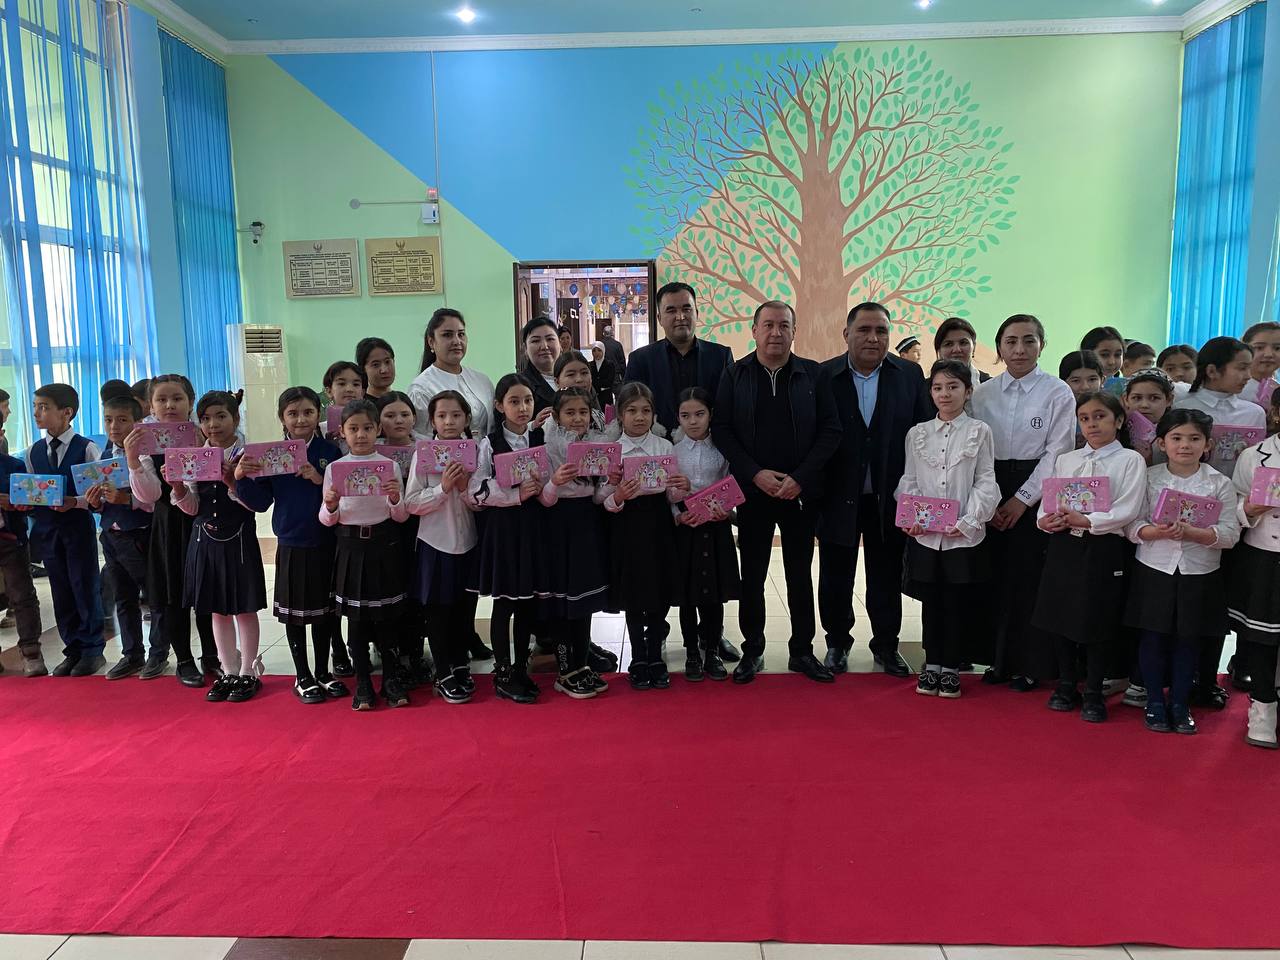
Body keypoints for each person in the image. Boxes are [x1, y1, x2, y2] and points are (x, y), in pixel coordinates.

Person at [712, 300, 841, 684]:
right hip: (753, 494)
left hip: (799, 493)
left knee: (799, 574)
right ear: (754, 331)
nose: (776, 332)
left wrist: (800, 477)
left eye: (784, 325)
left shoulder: (814, 375)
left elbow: (831, 430)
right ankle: (753, 650)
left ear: (794, 331)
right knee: (752, 575)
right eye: (768, 325)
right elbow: (722, 430)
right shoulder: (734, 375)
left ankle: (802, 651)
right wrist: (754, 474)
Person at [817, 302, 932, 677]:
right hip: (837, 495)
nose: (873, 338)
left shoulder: (909, 375)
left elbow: (923, 437)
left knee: (886, 574)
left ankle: (886, 644)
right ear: (846, 334)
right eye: (864, 330)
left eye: (881, 331)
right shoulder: (824, 376)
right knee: (836, 574)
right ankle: (837, 643)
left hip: (891, 496)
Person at [970, 315, 1075, 691]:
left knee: (1029, 580)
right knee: (994, 577)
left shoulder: (1058, 392)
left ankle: (1032, 664)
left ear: (1042, 345)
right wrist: (988, 500)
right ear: (999, 346)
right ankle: (998, 660)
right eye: (1011, 341)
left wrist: (1022, 500)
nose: (1019, 349)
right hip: (990, 484)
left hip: (1036, 489)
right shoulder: (982, 393)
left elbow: (1058, 452)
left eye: (1029, 340)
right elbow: (975, 448)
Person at [1033, 391, 1146, 722]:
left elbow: (1128, 507)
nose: (1092, 424)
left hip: (1103, 547)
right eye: (1084, 418)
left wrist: (1089, 521)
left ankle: (1094, 690)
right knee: (1060, 615)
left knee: (1098, 618)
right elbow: (1050, 501)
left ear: (1118, 420)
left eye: (1100, 416)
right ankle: (1067, 684)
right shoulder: (1067, 459)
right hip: (1064, 545)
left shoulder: (1130, 460)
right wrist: (1044, 521)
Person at [1125, 408, 1239, 735]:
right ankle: (1154, 703)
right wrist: (1155, 531)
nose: (1185, 445)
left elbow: (1230, 535)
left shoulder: (1220, 483)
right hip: (1155, 568)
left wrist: (1194, 533)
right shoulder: (1149, 478)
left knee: (1189, 640)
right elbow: (1131, 525)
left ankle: (1179, 703)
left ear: (1207, 445)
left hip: (1200, 573)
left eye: (1194, 439)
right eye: (1176, 438)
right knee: (1153, 637)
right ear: (1162, 443)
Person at [234, 386, 347, 705]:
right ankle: (303, 675)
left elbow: (347, 492)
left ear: (318, 413)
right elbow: (260, 502)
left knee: (326, 612)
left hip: (328, 541)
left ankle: (323, 671)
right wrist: (240, 477)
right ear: (281, 417)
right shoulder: (272, 454)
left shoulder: (330, 452)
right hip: (292, 543)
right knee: (295, 614)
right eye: (293, 413)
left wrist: (319, 477)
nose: (301, 419)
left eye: (308, 412)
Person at [897, 360, 999, 698]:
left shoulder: (979, 431)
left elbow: (985, 480)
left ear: (968, 392)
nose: (945, 394)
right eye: (938, 387)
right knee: (931, 601)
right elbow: (910, 479)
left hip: (962, 535)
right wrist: (910, 516)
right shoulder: (917, 433)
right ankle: (932, 664)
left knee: (956, 601)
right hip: (927, 536)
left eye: (953, 387)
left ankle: (952, 666)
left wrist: (970, 519)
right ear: (931, 392)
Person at [174, 391, 267, 703]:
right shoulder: (193, 457)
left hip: (239, 539)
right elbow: (191, 508)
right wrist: (177, 488)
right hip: (204, 540)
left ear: (236, 418)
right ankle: (228, 671)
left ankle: (249, 671)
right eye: (206, 418)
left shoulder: (248, 456)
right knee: (217, 609)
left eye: (221, 416)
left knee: (244, 607)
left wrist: (232, 482)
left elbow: (259, 504)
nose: (213, 424)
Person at [125, 374, 217, 687]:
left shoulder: (206, 431)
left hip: (206, 521)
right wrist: (133, 460)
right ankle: (185, 661)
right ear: (150, 406)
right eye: (161, 400)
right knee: (174, 595)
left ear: (190, 402)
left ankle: (212, 657)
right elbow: (149, 495)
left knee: (207, 594)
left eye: (177, 398)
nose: (169, 405)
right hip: (169, 526)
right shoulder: (145, 442)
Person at [319, 399, 409, 711]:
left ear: (377, 429)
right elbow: (326, 519)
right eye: (353, 429)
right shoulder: (334, 469)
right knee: (356, 621)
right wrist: (331, 504)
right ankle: (362, 682)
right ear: (342, 432)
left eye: (367, 428)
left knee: (387, 619)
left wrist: (395, 498)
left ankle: (391, 680)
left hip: (384, 546)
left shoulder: (389, 466)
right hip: (351, 548)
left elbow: (401, 516)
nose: (361, 435)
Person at [467, 375, 546, 704]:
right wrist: (515, 494)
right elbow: (475, 490)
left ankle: (520, 668)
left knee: (527, 602)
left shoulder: (540, 438)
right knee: (504, 603)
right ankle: (502, 672)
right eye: (514, 401)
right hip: (503, 531)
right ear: (499, 405)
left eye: (528, 400)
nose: (523, 407)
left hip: (533, 529)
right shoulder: (489, 443)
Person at [600, 382, 682, 691]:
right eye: (632, 411)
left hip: (659, 526)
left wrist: (680, 487)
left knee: (659, 591)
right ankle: (638, 657)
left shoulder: (664, 447)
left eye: (646, 410)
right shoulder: (613, 451)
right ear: (620, 415)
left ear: (654, 414)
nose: (639, 417)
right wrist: (618, 494)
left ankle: (655, 656)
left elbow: (672, 496)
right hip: (626, 528)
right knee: (633, 594)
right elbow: (601, 499)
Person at [404, 390, 480, 704]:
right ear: (432, 421)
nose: (449, 421)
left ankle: (460, 663)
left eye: (456, 415)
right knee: (438, 611)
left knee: (464, 608)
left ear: (467, 419)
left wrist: (465, 489)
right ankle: (443, 670)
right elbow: (411, 503)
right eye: (442, 416)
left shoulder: (477, 451)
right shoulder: (423, 455)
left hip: (468, 542)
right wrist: (442, 489)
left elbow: (482, 501)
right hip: (435, 543)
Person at [25, 383, 105, 677]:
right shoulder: (33, 452)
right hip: (48, 530)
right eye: (35, 406)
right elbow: (31, 490)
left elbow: (100, 491)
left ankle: (92, 649)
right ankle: (72, 648)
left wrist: (76, 502)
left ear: (66, 412)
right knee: (60, 589)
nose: (37, 413)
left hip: (77, 528)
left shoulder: (87, 448)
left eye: (44, 407)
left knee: (84, 587)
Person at [540, 386, 614, 699]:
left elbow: (597, 497)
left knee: (584, 600)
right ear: (556, 416)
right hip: (557, 526)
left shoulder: (596, 445)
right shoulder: (546, 447)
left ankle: (582, 665)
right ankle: (565, 671)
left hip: (587, 524)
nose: (577, 418)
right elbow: (543, 499)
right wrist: (555, 482)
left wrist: (612, 481)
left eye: (583, 412)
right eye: (569, 412)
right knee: (561, 602)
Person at [669, 387, 740, 682]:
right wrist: (677, 515)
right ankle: (691, 653)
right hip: (687, 527)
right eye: (685, 416)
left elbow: (731, 484)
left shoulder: (722, 448)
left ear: (711, 414)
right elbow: (667, 493)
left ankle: (711, 650)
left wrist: (728, 510)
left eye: (699, 414)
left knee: (713, 596)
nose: (693, 421)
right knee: (688, 595)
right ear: (678, 418)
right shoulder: (673, 451)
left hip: (716, 526)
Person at [92, 391, 163, 680]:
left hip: (139, 534)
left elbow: (154, 499)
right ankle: (132, 654)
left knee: (155, 597)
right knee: (123, 597)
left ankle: (158, 654)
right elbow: (98, 500)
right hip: (111, 535)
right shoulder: (105, 454)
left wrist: (126, 500)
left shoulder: (145, 454)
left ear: (137, 423)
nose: (114, 427)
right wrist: (95, 501)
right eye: (108, 420)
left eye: (122, 420)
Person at [623, 281, 733, 434]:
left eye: (687, 309)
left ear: (696, 313)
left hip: (709, 443)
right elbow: (630, 409)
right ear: (659, 318)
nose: (680, 317)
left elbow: (729, 408)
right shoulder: (640, 360)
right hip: (658, 445)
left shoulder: (721, 356)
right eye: (671, 310)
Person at [1230, 423, 1280, 748]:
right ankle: (1263, 709)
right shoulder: (1253, 455)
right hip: (1264, 554)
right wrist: (1249, 508)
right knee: (1263, 636)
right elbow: (1232, 505)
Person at [1173, 336, 1264, 478]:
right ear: (1212, 371)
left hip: (1240, 488)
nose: (1248, 376)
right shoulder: (1182, 409)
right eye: (1242, 368)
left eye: (1249, 368)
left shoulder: (1254, 413)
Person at [0, 408, 44, 676]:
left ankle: (31, 652)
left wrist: (15, 503)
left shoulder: (13, 466)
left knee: (22, 596)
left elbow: (31, 503)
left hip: (10, 540)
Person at [409, 308, 496, 440]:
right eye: (447, 335)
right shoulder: (421, 388)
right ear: (431, 342)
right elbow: (422, 439)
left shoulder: (482, 380)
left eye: (461, 334)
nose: (456, 341)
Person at [1122, 369, 1175, 465]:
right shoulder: (1116, 431)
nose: (1144, 405)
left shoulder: (1177, 433)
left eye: (1154, 398)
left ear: (1169, 400)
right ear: (1126, 399)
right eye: (1137, 398)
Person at [517, 316, 562, 423]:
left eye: (550, 339)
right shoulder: (518, 384)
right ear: (525, 349)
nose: (544, 346)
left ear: (560, 344)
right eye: (535, 341)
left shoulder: (577, 377)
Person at [934, 317, 990, 384]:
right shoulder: (925, 387)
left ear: (974, 347)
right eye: (948, 344)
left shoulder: (991, 385)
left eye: (963, 343)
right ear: (939, 350)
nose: (956, 350)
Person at [1243, 321, 1280, 408]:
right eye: (1259, 348)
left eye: (1277, 348)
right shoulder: (1231, 391)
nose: (1268, 354)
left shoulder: (1277, 389)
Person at [1080, 326, 1125, 393]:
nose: (1112, 362)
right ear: (1086, 354)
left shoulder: (1126, 387)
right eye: (1104, 355)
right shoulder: (1074, 387)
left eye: (1117, 355)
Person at [588, 341, 617, 409]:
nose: (596, 353)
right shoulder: (589, 365)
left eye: (599, 350)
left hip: (606, 397)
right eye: (594, 351)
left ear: (603, 351)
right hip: (593, 397)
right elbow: (589, 380)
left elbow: (609, 381)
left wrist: (596, 383)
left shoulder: (610, 364)